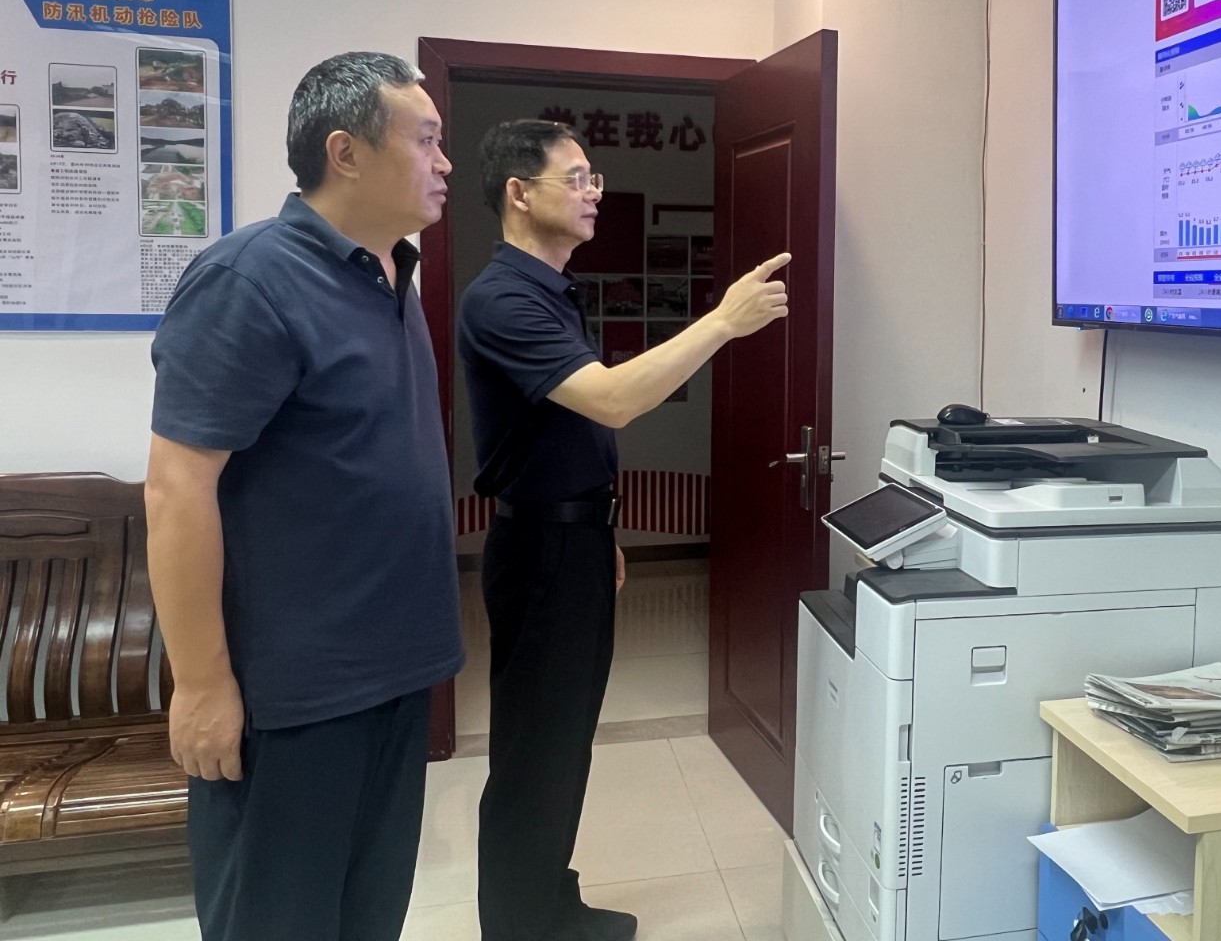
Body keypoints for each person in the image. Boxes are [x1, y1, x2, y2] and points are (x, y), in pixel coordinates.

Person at [146, 52, 465, 941]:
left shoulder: (393, 276)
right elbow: (176, 488)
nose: (444, 162)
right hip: (294, 696)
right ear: (345, 152)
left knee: (369, 916)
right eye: (426, 140)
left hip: (397, 674)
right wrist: (202, 684)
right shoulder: (249, 278)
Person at [460, 118, 789, 941]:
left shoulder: (549, 289)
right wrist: (722, 321)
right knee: (535, 749)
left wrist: (598, 525)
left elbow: (565, 432)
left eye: (595, 178)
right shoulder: (501, 298)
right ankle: (520, 926)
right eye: (575, 178)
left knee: (564, 741)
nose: (593, 192)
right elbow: (611, 400)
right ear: (519, 193)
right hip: (539, 550)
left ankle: (549, 902)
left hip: (571, 539)